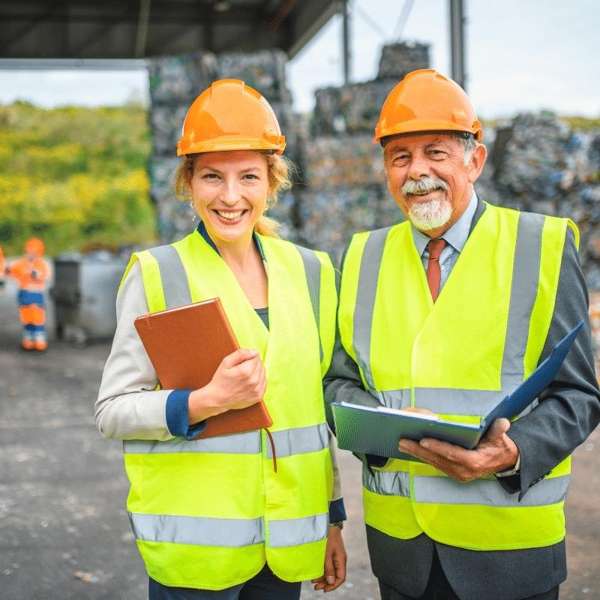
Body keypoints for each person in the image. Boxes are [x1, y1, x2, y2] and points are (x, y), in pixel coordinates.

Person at [325, 68, 600, 600]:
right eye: (400, 157)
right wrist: (383, 433)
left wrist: (513, 450)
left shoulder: (539, 246)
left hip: (511, 551)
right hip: (403, 553)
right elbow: (338, 385)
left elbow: (579, 395)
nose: (417, 172)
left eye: (436, 152)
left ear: (475, 160)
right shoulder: (361, 257)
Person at [96, 79, 347, 599]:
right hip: (196, 554)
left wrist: (333, 520)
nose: (231, 197)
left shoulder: (312, 272)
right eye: (213, 176)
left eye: (249, 177)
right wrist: (205, 401)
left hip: (287, 547)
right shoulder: (157, 273)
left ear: (271, 183)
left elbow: (313, 415)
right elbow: (113, 410)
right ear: (189, 182)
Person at [1, 237, 51, 351]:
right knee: (26, 316)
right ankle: (28, 338)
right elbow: (9, 271)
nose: (31, 253)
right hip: (24, 294)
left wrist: (35, 274)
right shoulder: (21, 263)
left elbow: (45, 275)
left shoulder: (42, 264)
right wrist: (5, 269)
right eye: (29, 250)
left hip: (36, 293)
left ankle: (39, 339)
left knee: (37, 317)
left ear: (39, 252)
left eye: (34, 251)